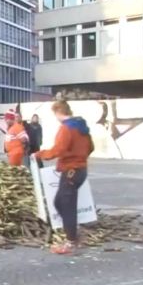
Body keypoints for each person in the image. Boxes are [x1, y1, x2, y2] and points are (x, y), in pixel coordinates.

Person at [36, 100, 94, 255]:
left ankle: (71, 242)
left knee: (65, 205)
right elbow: (90, 147)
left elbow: (58, 149)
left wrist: (40, 154)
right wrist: (80, 157)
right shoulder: (82, 127)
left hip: (71, 170)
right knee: (62, 202)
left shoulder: (66, 128)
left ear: (57, 112)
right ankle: (73, 235)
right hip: (80, 170)